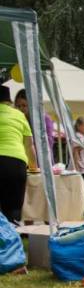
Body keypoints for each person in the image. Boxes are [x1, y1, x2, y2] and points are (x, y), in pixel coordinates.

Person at [0, 85, 37, 223]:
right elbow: (29, 145)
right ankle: (13, 232)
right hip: (16, 163)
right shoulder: (19, 115)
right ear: (9, 101)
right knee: (14, 207)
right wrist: (33, 167)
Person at [14, 89, 55, 162]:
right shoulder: (19, 120)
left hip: (42, 159)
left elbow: (49, 142)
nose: (21, 109)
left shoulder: (44, 118)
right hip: (25, 158)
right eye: (18, 106)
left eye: (24, 105)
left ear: (31, 104)